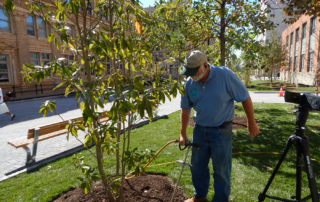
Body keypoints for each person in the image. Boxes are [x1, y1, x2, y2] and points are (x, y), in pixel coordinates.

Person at [179, 50, 260, 202]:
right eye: (189, 72)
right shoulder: (189, 83)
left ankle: (221, 199)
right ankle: (199, 196)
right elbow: (185, 109)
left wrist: (251, 122)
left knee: (221, 170)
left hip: (222, 131)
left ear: (205, 65)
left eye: (194, 71)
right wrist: (182, 133)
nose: (192, 76)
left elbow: (245, 97)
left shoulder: (225, 75)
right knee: (197, 166)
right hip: (200, 131)